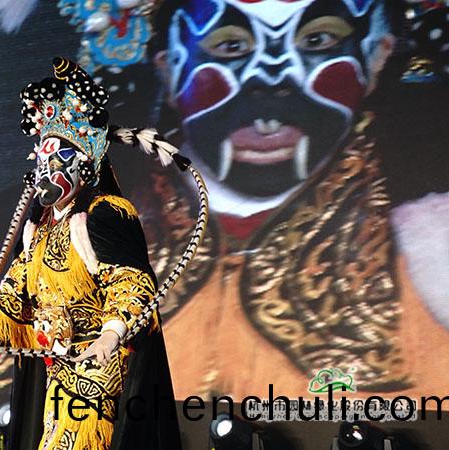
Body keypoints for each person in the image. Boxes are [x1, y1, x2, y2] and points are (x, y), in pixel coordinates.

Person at [140, 0, 449, 399]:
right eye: (231, 46)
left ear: (375, 58)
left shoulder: (432, 256)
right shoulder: (100, 238)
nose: (271, 79)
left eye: (317, 40)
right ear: (168, 70)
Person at [0, 58, 183, 450]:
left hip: (98, 366)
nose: (49, 171)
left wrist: (110, 335)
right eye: (43, 161)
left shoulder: (104, 214)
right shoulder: (40, 228)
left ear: (85, 166)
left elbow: (131, 281)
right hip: (58, 367)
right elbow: (14, 290)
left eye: (59, 161)